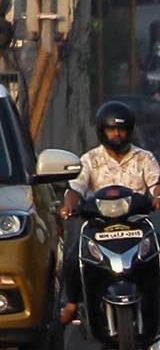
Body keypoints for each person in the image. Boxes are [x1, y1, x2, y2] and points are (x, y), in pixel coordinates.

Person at [58, 101, 160, 324]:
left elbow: (156, 186)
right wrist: (69, 204)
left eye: (121, 129)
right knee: (74, 258)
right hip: (99, 226)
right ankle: (73, 304)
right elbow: (75, 188)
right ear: (102, 131)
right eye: (111, 129)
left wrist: (157, 198)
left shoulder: (145, 158)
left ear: (130, 131)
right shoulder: (89, 159)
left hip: (136, 225)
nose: (116, 134)